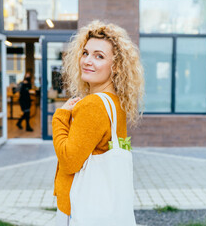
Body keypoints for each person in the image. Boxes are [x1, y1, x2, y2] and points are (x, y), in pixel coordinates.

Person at [52, 20, 144, 225]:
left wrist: (60, 118)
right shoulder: (115, 103)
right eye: (85, 53)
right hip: (105, 208)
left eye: (99, 56)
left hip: (79, 208)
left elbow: (69, 161)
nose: (87, 60)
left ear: (117, 66)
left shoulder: (93, 105)